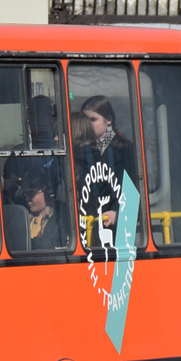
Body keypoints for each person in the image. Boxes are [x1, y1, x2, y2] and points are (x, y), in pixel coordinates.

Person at [75, 94, 138, 234]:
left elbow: (135, 188)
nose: (88, 125)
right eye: (84, 120)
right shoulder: (81, 151)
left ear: (108, 120)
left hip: (117, 227)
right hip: (89, 222)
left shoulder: (124, 149)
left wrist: (118, 213)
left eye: (93, 120)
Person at [21, 167, 66, 250]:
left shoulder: (61, 219)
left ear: (49, 192)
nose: (27, 199)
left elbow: (51, 247)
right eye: (25, 195)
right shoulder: (23, 217)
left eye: (31, 193)